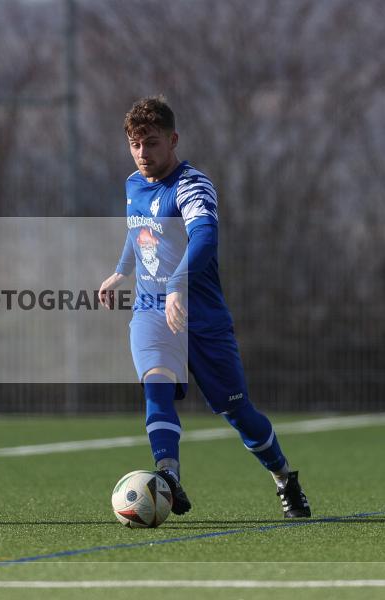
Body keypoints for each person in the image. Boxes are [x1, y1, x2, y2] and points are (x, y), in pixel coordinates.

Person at [98, 97, 311, 519]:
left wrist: (178, 283)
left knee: (238, 412)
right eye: (135, 144)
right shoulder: (133, 184)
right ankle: (168, 476)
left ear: (173, 140)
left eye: (152, 143)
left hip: (202, 318)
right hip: (151, 310)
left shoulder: (192, 186)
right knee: (156, 386)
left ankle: (284, 477)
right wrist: (121, 271)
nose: (142, 153)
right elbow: (138, 229)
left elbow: (205, 238)